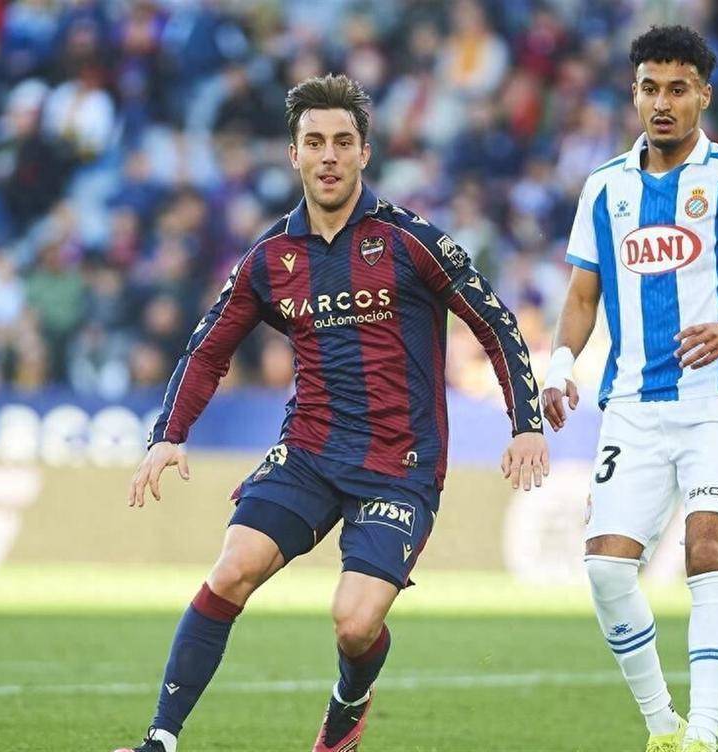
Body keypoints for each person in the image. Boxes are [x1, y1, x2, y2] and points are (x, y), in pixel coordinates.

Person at [117, 74, 549, 752]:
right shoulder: (271, 258)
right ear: (294, 154)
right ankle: (160, 740)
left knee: (353, 623)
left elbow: (495, 324)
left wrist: (525, 423)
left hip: (398, 465)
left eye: (342, 142)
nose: (328, 156)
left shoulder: (410, 241)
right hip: (310, 452)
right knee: (233, 567)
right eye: (314, 142)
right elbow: (207, 350)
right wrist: (168, 435)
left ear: (364, 153)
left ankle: (350, 700)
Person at [541, 27, 718, 752]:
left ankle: (705, 737)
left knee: (707, 544)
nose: (662, 103)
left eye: (678, 89)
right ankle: (664, 727)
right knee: (605, 569)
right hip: (632, 407)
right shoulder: (604, 188)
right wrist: (560, 364)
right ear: (633, 94)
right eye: (650, 89)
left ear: (704, 95)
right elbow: (582, 296)